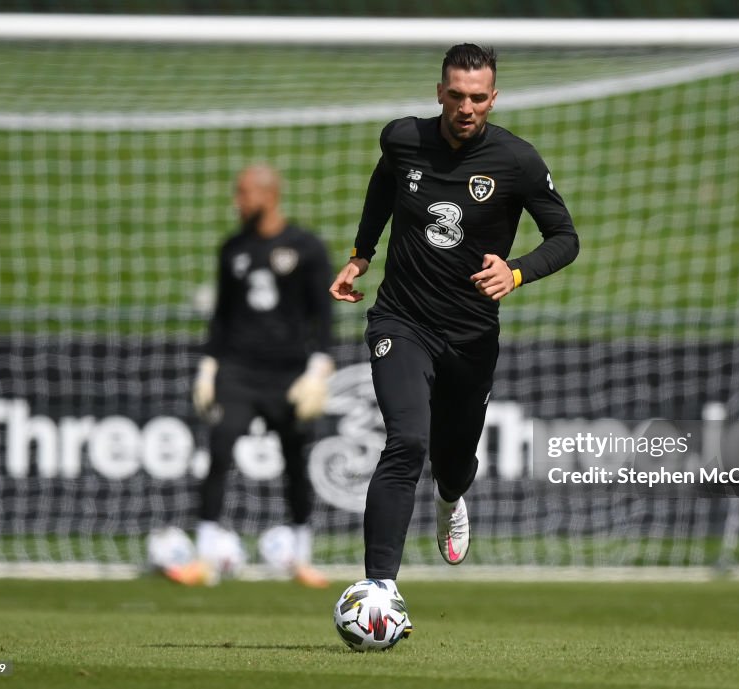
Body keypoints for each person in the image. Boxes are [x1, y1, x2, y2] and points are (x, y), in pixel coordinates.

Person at [329, 45, 578, 600]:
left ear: (494, 98)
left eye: (479, 98)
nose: (467, 107)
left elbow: (566, 239)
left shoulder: (518, 161)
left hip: (470, 337)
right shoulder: (402, 139)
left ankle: (449, 499)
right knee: (406, 441)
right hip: (402, 321)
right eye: (457, 95)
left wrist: (515, 274)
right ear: (440, 92)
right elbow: (382, 186)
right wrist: (361, 253)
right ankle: (379, 588)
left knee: (453, 462)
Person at [184, 163, 334, 589]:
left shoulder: (306, 247)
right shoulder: (232, 248)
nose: (238, 202)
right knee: (219, 447)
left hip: (287, 373)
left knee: (295, 459)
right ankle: (205, 554)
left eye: (243, 193)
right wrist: (208, 367)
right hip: (238, 371)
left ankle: (301, 556)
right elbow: (221, 318)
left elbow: (322, 318)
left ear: (269, 195)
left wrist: (318, 369)